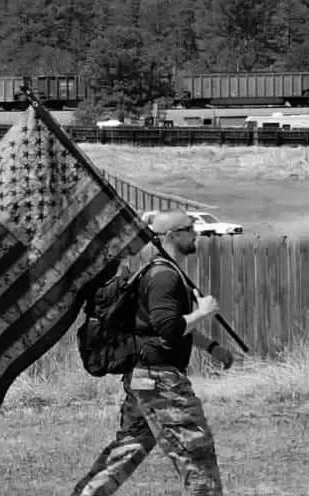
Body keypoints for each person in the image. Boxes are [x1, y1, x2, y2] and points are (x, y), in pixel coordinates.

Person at [71, 208, 235, 496]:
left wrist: (212, 348)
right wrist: (204, 311)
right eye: (189, 229)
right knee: (196, 454)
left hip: (143, 378)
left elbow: (162, 326)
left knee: (127, 449)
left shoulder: (161, 271)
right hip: (161, 383)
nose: (195, 233)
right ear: (172, 236)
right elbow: (169, 329)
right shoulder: (163, 276)